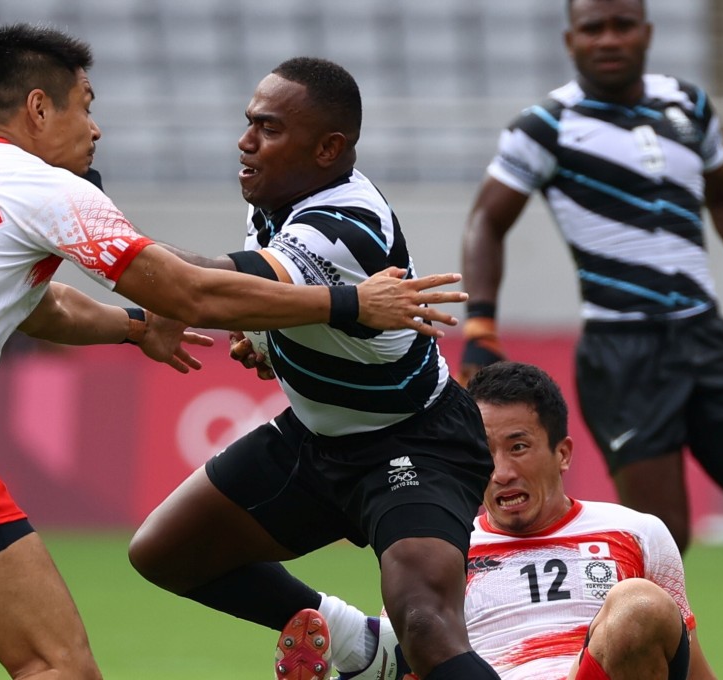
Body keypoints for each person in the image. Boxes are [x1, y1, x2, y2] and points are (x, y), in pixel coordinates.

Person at [0, 25, 465, 680]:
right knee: (57, 667)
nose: (96, 129)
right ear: (39, 108)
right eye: (86, 107)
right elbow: (190, 290)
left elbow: (44, 307)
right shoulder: (36, 184)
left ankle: (361, 648)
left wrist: (136, 327)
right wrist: (351, 304)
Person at [128, 57, 500, 680]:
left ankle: (394, 645)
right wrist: (267, 339)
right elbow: (271, 294)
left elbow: (197, 285)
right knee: (165, 552)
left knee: (426, 624)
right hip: (315, 439)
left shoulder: (343, 224)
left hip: (412, 443)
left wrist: (69, 223)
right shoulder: (277, 196)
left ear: (328, 149)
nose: (245, 143)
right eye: (249, 123)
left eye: (268, 129)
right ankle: (362, 647)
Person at [457, 1, 723, 676]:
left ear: (647, 33)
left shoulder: (687, 104)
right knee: (662, 538)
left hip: (707, 335)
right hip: (623, 350)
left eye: (621, 24)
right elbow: (487, 219)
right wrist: (481, 324)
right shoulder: (546, 125)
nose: (608, 38)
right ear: (570, 39)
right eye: (593, 28)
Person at [313, 361, 716, 680]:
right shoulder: (439, 548)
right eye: (486, 451)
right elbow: (397, 660)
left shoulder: (637, 532)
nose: (501, 471)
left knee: (639, 607)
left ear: (562, 453)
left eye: (518, 447)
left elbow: (691, 671)